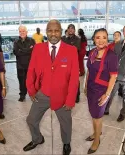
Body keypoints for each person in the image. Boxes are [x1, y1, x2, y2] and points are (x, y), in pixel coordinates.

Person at [23, 20, 79, 155]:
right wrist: (30, 89)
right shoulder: (38, 48)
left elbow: (74, 78)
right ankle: (37, 139)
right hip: (43, 93)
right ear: (46, 31)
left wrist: (71, 98)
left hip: (63, 96)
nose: (53, 34)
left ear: (61, 31)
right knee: (31, 119)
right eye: (50, 30)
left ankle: (66, 143)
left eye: (56, 30)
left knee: (65, 123)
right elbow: (31, 70)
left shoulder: (71, 50)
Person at [84, 28, 118, 154]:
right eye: (98, 37)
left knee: (97, 116)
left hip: (102, 91)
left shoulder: (111, 55)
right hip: (91, 88)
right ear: (94, 39)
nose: (101, 40)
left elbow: (113, 76)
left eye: (104, 37)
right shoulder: (92, 52)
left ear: (107, 38)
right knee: (93, 114)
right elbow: (89, 71)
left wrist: (107, 95)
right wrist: (86, 86)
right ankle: (96, 133)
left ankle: (97, 140)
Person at [13, 25, 35, 102]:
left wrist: (22, 50)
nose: (22, 33)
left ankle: (32, 94)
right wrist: (28, 50)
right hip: (20, 66)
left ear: (26, 32)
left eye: (23, 31)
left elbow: (34, 52)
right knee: (22, 82)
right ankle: (22, 95)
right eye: (20, 31)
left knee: (32, 81)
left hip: (30, 66)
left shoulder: (32, 40)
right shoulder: (16, 41)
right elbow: (16, 52)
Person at [62, 24, 81, 103]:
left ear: (74, 30)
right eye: (69, 28)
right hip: (63, 62)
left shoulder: (77, 39)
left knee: (75, 80)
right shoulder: (63, 38)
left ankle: (77, 95)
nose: (71, 30)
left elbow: (76, 49)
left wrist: (67, 49)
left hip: (74, 62)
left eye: (72, 29)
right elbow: (61, 49)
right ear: (67, 29)